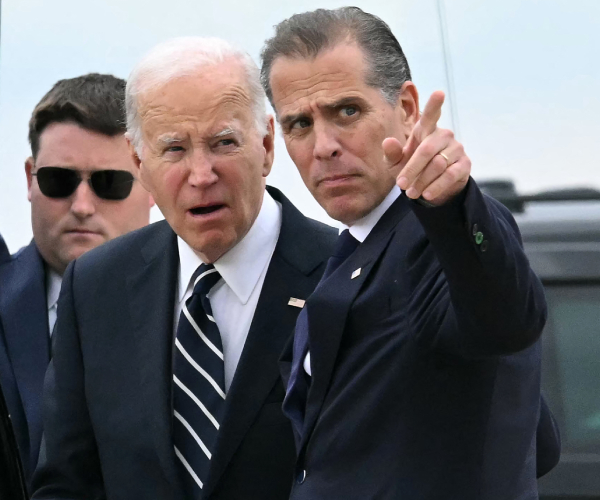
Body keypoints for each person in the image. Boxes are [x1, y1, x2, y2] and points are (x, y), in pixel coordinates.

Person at [261, 7, 557, 499]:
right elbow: (538, 440)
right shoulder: (351, 249)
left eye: (347, 111)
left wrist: (452, 204)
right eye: (299, 124)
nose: (324, 146)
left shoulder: (439, 232)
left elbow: (506, 319)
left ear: (407, 107)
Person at [31, 37, 336, 500]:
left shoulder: (344, 273)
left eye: (224, 143)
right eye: (173, 149)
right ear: (139, 162)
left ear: (267, 145)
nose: (201, 174)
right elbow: (66, 482)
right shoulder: (95, 286)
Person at [0, 73, 153, 489]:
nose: (83, 206)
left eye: (110, 183)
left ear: (153, 179)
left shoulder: (199, 312)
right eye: (59, 181)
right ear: (30, 178)